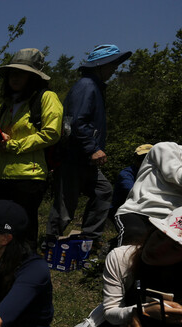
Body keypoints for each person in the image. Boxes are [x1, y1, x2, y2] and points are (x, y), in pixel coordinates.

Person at [47, 44, 132, 244]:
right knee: (65, 206)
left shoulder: (94, 87)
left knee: (103, 191)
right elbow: (76, 121)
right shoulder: (86, 85)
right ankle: (49, 245)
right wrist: (93, 148)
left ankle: (89, 240)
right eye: (112, 64)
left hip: (83, 158)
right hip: (73, 157)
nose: (115, 69)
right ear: (100, 65)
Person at [0, 48, 63, 249]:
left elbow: (52, 133)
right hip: (0, 174)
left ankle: (25, 266)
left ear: (33, 77)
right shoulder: (5, 104)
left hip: (28, 176)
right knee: (0, 225)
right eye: (12, 73)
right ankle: (0, 263)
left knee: (23, 227)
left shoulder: (46, 98)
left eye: (21, 73)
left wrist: (12, 145)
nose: (15, 77)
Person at [114, 127, 182, 246]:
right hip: (141, 213)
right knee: (131, 252)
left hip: (172, 222)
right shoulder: (166, 148)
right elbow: (180, 176)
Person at [109, 144, 152, 220]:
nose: (144, 162)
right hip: (123, 211)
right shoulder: (127, 174)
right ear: (135, 160)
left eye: (148, 158)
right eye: (141, 159)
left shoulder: (159, 173)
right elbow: (132, 191)